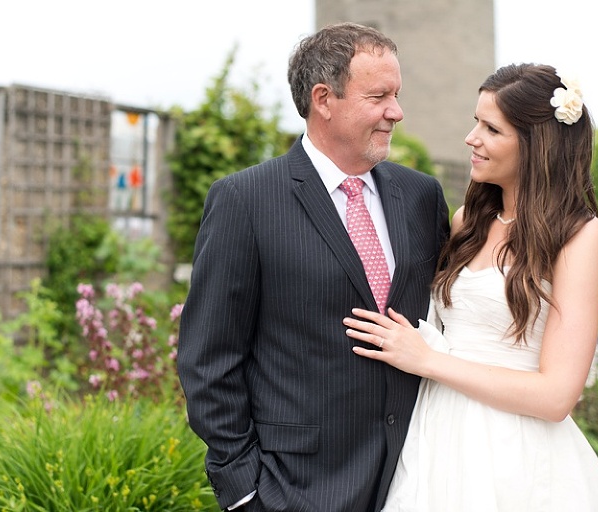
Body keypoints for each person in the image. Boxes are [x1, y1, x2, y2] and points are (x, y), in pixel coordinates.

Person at [177, 22, 449, 512]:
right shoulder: (245, 199)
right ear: (324, 99)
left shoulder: (421, 196)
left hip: (418, 479)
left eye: (397, 94)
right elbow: (208, 360)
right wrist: (244, 492)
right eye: (379, 96)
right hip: (296, 490)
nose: (397, 112)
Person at [345, 63, 598, 510]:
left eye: (491, 128)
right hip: (434, 435)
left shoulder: (578, 236)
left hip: (513, 449)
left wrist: (429, 361)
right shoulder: (466, 222)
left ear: (537, 147)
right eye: (475, 122)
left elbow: (556, 397)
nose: (471, 138)